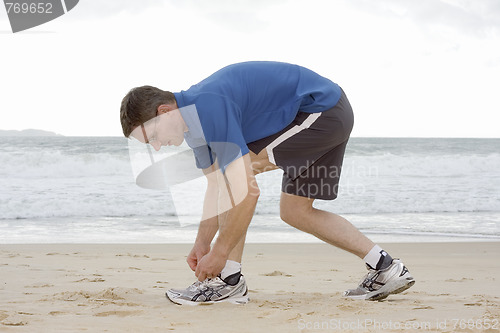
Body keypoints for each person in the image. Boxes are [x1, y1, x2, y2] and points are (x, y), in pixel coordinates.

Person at [120, 61, 415, 305]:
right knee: (295, 211)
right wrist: (201, 243)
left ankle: (229, 281)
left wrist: (220, 253)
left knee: (237, 181)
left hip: (321, 109)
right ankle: (385, 266)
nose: (157, 148)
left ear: (163, 112)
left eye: (153, 138)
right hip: (328, 114)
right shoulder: (194, 129)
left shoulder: (207, 105)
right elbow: (215, 188)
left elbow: (244, 191)